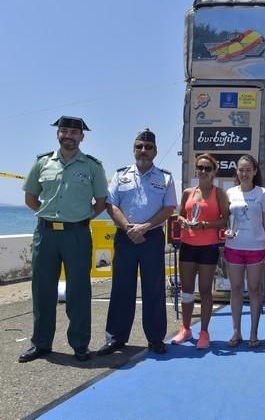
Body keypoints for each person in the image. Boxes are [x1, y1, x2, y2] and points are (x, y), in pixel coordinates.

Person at [20, 116, 108, 363]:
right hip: (46, 234)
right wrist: (49, 216)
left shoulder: (92, 166)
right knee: (42, 290)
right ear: (58, 134)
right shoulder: (42, 163)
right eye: (64, 131)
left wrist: (79, 219)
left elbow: (100, 203)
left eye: (74, 132)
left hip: (77, 235)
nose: (69, 135)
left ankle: (80, 344)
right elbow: (30, 198)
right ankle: (41, 344)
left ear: (82, 137)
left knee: (79, 291)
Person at [97, 129, 177, 356]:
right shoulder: (120, 175)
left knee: (153, 289)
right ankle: (116, 338)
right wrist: (129, 228)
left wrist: (144, 227)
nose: (143, 151)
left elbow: (169, 208)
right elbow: (110, 205)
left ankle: (155, 339)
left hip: (151, 237)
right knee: (122, 288)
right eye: (139, 146)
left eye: (148, 147)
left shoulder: (166, 178)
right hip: (125, 236)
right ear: (134, 149)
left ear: (155, 151)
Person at [170, 154, 228, 349]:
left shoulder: (218, 193)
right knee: (186, 290)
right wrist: (183, 221)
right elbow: (180, 216)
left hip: (208, 248)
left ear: (213, 172)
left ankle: (204, 332)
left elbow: (225, 220)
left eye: (207, 168)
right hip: (187, 246)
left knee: (204, 291)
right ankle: (185, 329)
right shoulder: (188, 192)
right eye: (200, 168)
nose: (203, 171)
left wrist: (205, 225)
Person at [224, 155, 265, 349]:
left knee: (254, 290)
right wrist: (225, 231)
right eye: (241, 170)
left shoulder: (263, 193)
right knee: (235, 289)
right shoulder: (229, 193)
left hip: (256, 248)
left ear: (254, 171)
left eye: (248, 170)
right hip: (233, 247)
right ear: (237, 171)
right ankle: (236, 331)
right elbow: (226, 220)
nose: (244, 173)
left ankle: (253, 332)